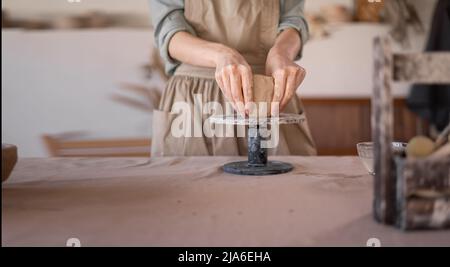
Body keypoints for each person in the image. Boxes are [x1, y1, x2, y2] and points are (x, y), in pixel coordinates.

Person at [149, 0, 317, 156]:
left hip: (269, 95)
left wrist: (281, 52)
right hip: (194, 98)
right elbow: (169, 30)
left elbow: (293, 21)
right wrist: (222, 55)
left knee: (283, 184)